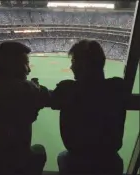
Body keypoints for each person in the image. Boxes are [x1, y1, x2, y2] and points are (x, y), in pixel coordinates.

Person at [0, 42, 49, 175]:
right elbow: (40, 95)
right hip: (14, 167)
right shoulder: (26, 90)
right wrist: (34, 86)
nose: (29, 70)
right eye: (26, 64)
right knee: (39, 151)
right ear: (12, 66)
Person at [51, 40, 127, 175]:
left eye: (74, 61)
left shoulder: (67, 88)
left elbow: (51, 100)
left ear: (83, 64)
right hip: (111, 161)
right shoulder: (118, 86)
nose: (71, 67)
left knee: (63, 157)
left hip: (77, 161)